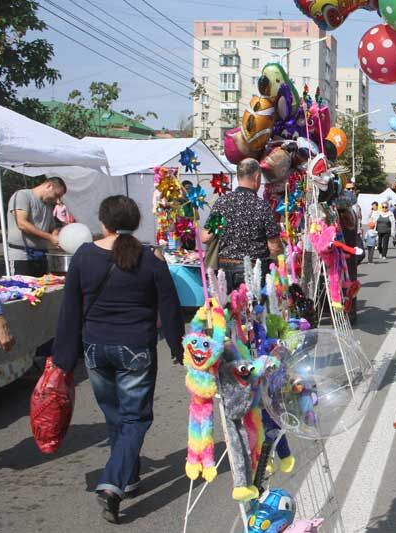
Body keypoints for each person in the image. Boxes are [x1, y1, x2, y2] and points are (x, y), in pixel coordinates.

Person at [53, 195, 184, 524]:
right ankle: (113, 484)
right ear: (137, 223)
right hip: (135, 349)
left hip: (96, 349)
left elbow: (69, 310)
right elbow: (169, 305)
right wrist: (177, 346)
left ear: (103, 223)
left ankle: (129, 475)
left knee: (117, 417)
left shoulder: (84, 256)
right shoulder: (151, 260)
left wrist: (64, 359)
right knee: (135, 419)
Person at [202, 159, 283, 292]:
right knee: (254, 311)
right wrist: (280, 263)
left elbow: (206, 237)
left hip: (226, 272)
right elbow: (274, 247)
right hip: (253, 272)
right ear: (257, 177)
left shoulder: (223, 203)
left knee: (230, 311)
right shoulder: (261, 206)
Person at [7, 177, 66, 276]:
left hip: (41, 255)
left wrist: (55, 234)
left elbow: (52, 227)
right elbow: (22, 224)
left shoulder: (48, 205)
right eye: (56, 195)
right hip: (21, 256)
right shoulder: (22, 195)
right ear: (49, 186)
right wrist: (50, 237)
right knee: (21, 289)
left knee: (42, 289)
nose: (57, 200)